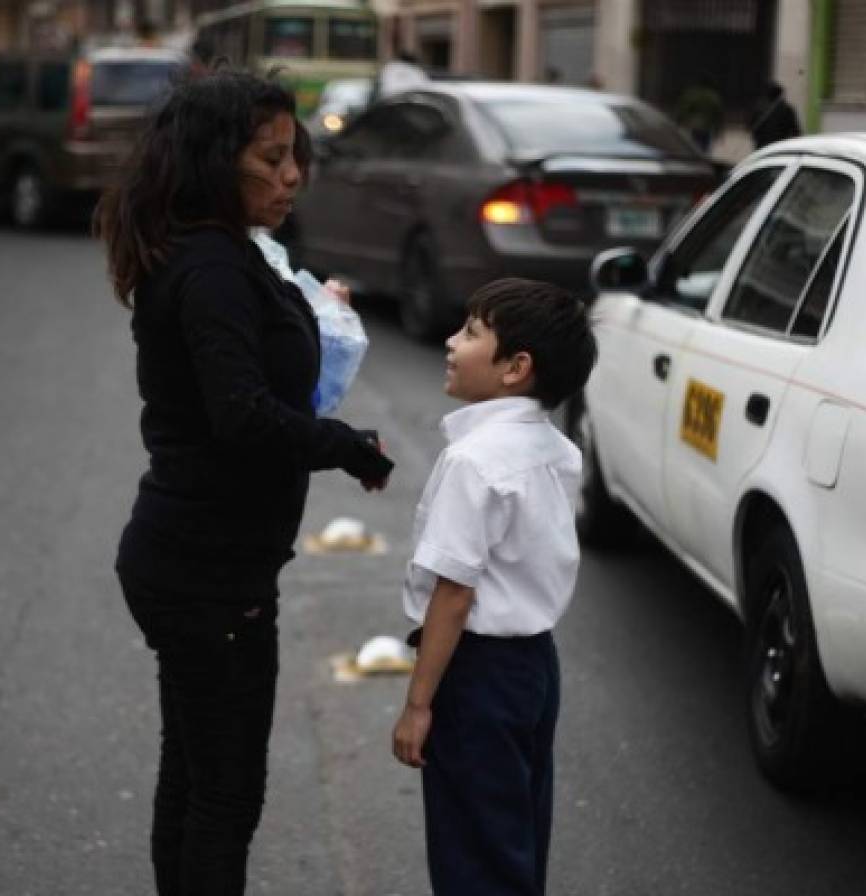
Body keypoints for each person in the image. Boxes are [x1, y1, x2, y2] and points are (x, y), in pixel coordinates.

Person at [94, 72, 394, 896]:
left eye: (295, 153)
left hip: (198, 560)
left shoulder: (224, 254)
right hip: (205, 572)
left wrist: (313, 317)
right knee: (224, 791)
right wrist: (351, 446)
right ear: (213, 163)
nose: (292, 173)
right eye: (271, 158)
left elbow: (256, 366)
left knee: (194, 774)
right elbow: (244, 416)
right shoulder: (213, 266)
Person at [391, 278, 598, 896]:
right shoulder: (555, 450)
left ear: (516, 368)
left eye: (472, 333)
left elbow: (453, 596)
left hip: (476, 675)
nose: (451, 343)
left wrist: (418, 703)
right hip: (534, 667)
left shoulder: (474, 462)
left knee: (473, 855)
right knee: (513, 837)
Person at [674, 76, 724, 154]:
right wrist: (718, 129)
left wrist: (679, 120)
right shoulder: (713, 96)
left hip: (696, 124)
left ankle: (696, 156)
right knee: (705, 146)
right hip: (707, 125)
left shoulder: (693, 94)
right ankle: (702, 157)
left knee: (695, 144)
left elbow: (684, 108)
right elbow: (718, 114)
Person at [749, 81, 802, 149]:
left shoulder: (759, 110)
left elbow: (752, 128)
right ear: (780, 96)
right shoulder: (787, 110)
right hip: (779, 149)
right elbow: (796, 132)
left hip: (762, 149)